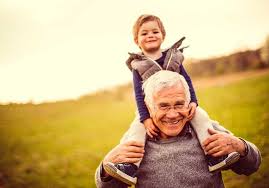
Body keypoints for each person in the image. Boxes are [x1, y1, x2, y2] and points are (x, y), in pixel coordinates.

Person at [104, 14, 240, 185]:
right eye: (144, 33)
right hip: (148, 110)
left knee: (202, 117)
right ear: (137, 40)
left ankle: (215, 156)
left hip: (182, 103)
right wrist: (145, 118)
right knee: (136, 131)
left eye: (155, 31)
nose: (150, 35)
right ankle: (130, 167)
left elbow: (187, 81)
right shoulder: (138, 64)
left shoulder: (173, 57)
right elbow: (138, 94)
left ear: (163, 35)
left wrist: (193, 103)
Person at [95, 71, 261, 188]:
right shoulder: (135, 141)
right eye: (164, 106)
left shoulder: (206, 130)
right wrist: (105, 167)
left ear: (189, 104)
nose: (173, 114)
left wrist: (241, 146)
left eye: (179, 104)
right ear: (149, 109)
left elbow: (251, 166)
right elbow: (108, 187)